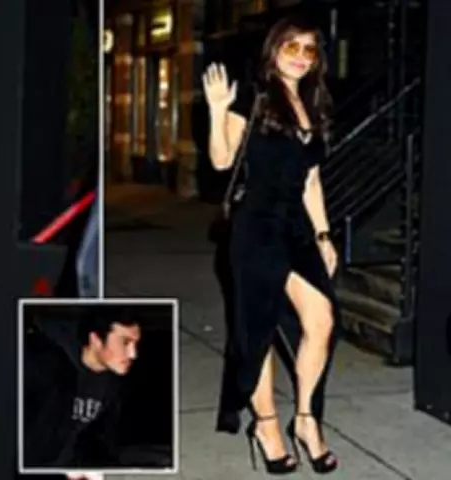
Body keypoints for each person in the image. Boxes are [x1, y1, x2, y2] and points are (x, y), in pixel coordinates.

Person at [203, 14, 340, 475]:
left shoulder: (314, 104)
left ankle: (306, 418)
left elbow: (311, 180)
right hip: (256, 228)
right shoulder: (255, 97)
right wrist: (218, 110)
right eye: (291, 47)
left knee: (321, 320)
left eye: (309, 49)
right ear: (274, 50)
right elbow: (222, 161)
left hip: (296, 228)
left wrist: (323, 235)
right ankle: (266, 426)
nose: (300, 57)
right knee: (258, 328)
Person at [21, 307, 140, 472]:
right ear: (96, 340)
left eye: (135, 344)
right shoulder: (42, 363)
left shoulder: (112, 385)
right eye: (125, 342)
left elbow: (100, 439)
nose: (133, 354)